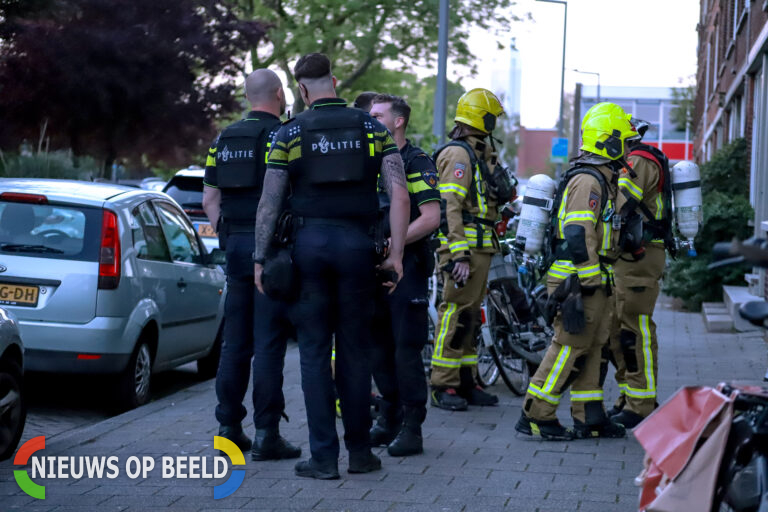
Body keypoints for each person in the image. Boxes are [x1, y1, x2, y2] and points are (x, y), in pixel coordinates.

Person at [252, 53, 410, 479]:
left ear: (302, 89)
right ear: (335, 81)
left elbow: (270, 200)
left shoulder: (290, 132)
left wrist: (260, 257)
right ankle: (360, 453)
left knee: (315, 354)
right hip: (358, 247)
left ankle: (323, 457)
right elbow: (399, 195)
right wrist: (394, 255)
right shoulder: (373, 129)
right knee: (356, 352)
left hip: (309, 249)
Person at [515, 102, 638, 440]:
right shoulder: (588, 180)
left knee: (593, 345)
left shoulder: (603, 178)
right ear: (609, 142)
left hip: (590, 276)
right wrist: (589, 276)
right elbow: (577, 231)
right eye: (625, 142)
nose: (629, 150)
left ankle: (590, 416)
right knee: (568, 345)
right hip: (577, 278)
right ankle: (536, 414)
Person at [202, 69, 301, 461]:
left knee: (234, 343)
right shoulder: (284, 135)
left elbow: (210, 198)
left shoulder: (222, 140)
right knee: (269, 343)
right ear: (279, 94)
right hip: (272, 249)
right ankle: (267, 434)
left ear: (247, 97)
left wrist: (228, 235)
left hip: (235, 247)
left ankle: (228, 428)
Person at [430, 88, 516, 411]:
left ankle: (467, 380)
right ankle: (442, 384)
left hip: (481, 246)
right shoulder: (458, 155)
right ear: (484, 118)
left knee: (470, 319)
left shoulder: (477, 153)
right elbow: (449, 205)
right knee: (453, 314)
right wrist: (458, 254)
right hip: (465, 248)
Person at [368, 94, 440, 456]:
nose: (371, 119)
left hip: (407, 267)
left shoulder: (415, 161)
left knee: (405, 350)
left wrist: (393, 245)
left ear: (398, 121)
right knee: (377, 348)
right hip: (373, 268)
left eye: (378, 115)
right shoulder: (369, 160)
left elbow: (430, 217)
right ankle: (389, 418)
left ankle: (413, 428)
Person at [606, 119, 672, 428]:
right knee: (619, 329)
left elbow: (622, 204)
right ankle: (630, 396)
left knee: (635, 329)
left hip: (641, 254)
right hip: (629, 254)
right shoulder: (631, 161)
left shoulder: (639, 161)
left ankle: (642, 403)